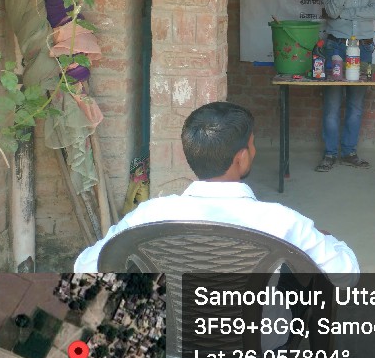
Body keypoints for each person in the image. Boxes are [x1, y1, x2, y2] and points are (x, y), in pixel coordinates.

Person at [74, 103, 358, 280]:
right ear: (241, 158)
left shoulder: (149, 215)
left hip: (172, 338)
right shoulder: (282, 222)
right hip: (255, 343)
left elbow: (84, 266)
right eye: (252, 145)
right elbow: (346, 274)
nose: (254, 151)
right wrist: (329, 240)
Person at [317, 0, 375, 172]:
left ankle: (349, 152)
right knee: (332, 104)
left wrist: (344, 13)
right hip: (335, 46)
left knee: (355, 104)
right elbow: (331, 10)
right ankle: (330, 153)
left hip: (363, 48)